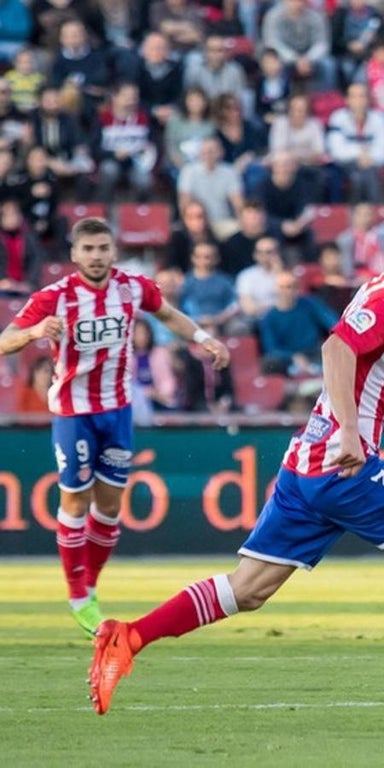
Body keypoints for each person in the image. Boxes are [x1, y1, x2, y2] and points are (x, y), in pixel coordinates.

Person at [88, 197, 384, 719]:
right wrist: (350, 432)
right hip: (346, 465)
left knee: (247, 589)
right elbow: (336, 350)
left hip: (306, 464)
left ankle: (128, 638)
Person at [0, 218, 229, 638]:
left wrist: (203, 338)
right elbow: (5, 339)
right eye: (88, 249)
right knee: (74, 500)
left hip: (117, 410)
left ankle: (90, 585)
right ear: (74, 255)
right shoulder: (56, 297)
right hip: (73, 412)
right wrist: (34, 331)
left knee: (108, 507)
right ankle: (77, 595)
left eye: (103, 247)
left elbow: (169, 313)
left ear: (113, 251)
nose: (96, 256)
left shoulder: (132, 287)